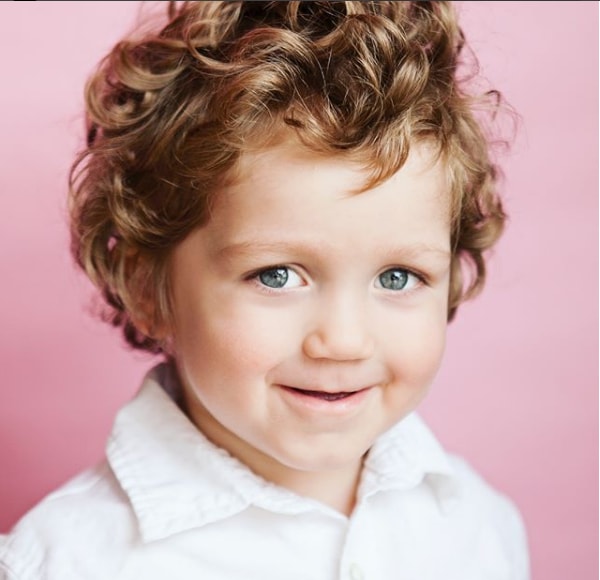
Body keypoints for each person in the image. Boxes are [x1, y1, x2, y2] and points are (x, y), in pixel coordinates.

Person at [0, 1, 529, 578]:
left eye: (397, 277)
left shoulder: (477, 526)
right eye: (276, 276)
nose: (344, 342)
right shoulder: (68, 562)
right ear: (147, 287)